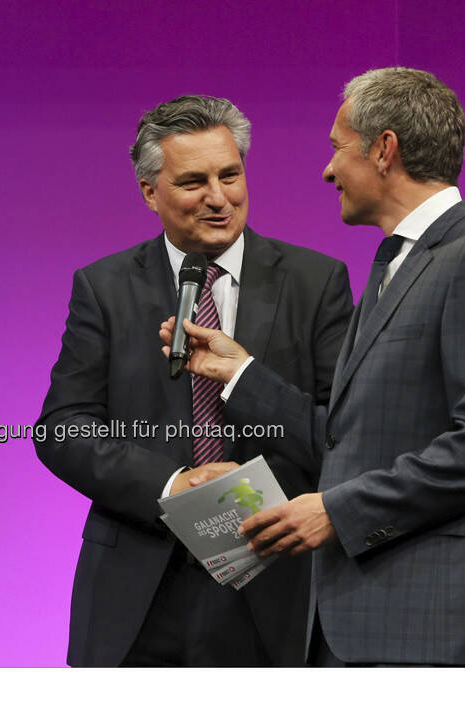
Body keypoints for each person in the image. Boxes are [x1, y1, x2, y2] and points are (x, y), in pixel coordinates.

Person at [161, 68, 465, 666]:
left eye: (338, 147)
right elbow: (345, 441)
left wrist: (338, 510)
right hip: (357, 622)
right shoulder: (395, 265)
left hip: (429, 629)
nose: (328, 169)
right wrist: (240, 374)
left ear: (384, 150)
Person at [36, 95, 353, 666]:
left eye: (230, 175)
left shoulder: (316, 282)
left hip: (271, 570)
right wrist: (172, 484)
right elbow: (62, 428)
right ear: (148, 192)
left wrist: (252, 478)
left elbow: (341, 433)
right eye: (192, 181)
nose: (218, 198)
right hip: (139, 579)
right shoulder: (104, 288)